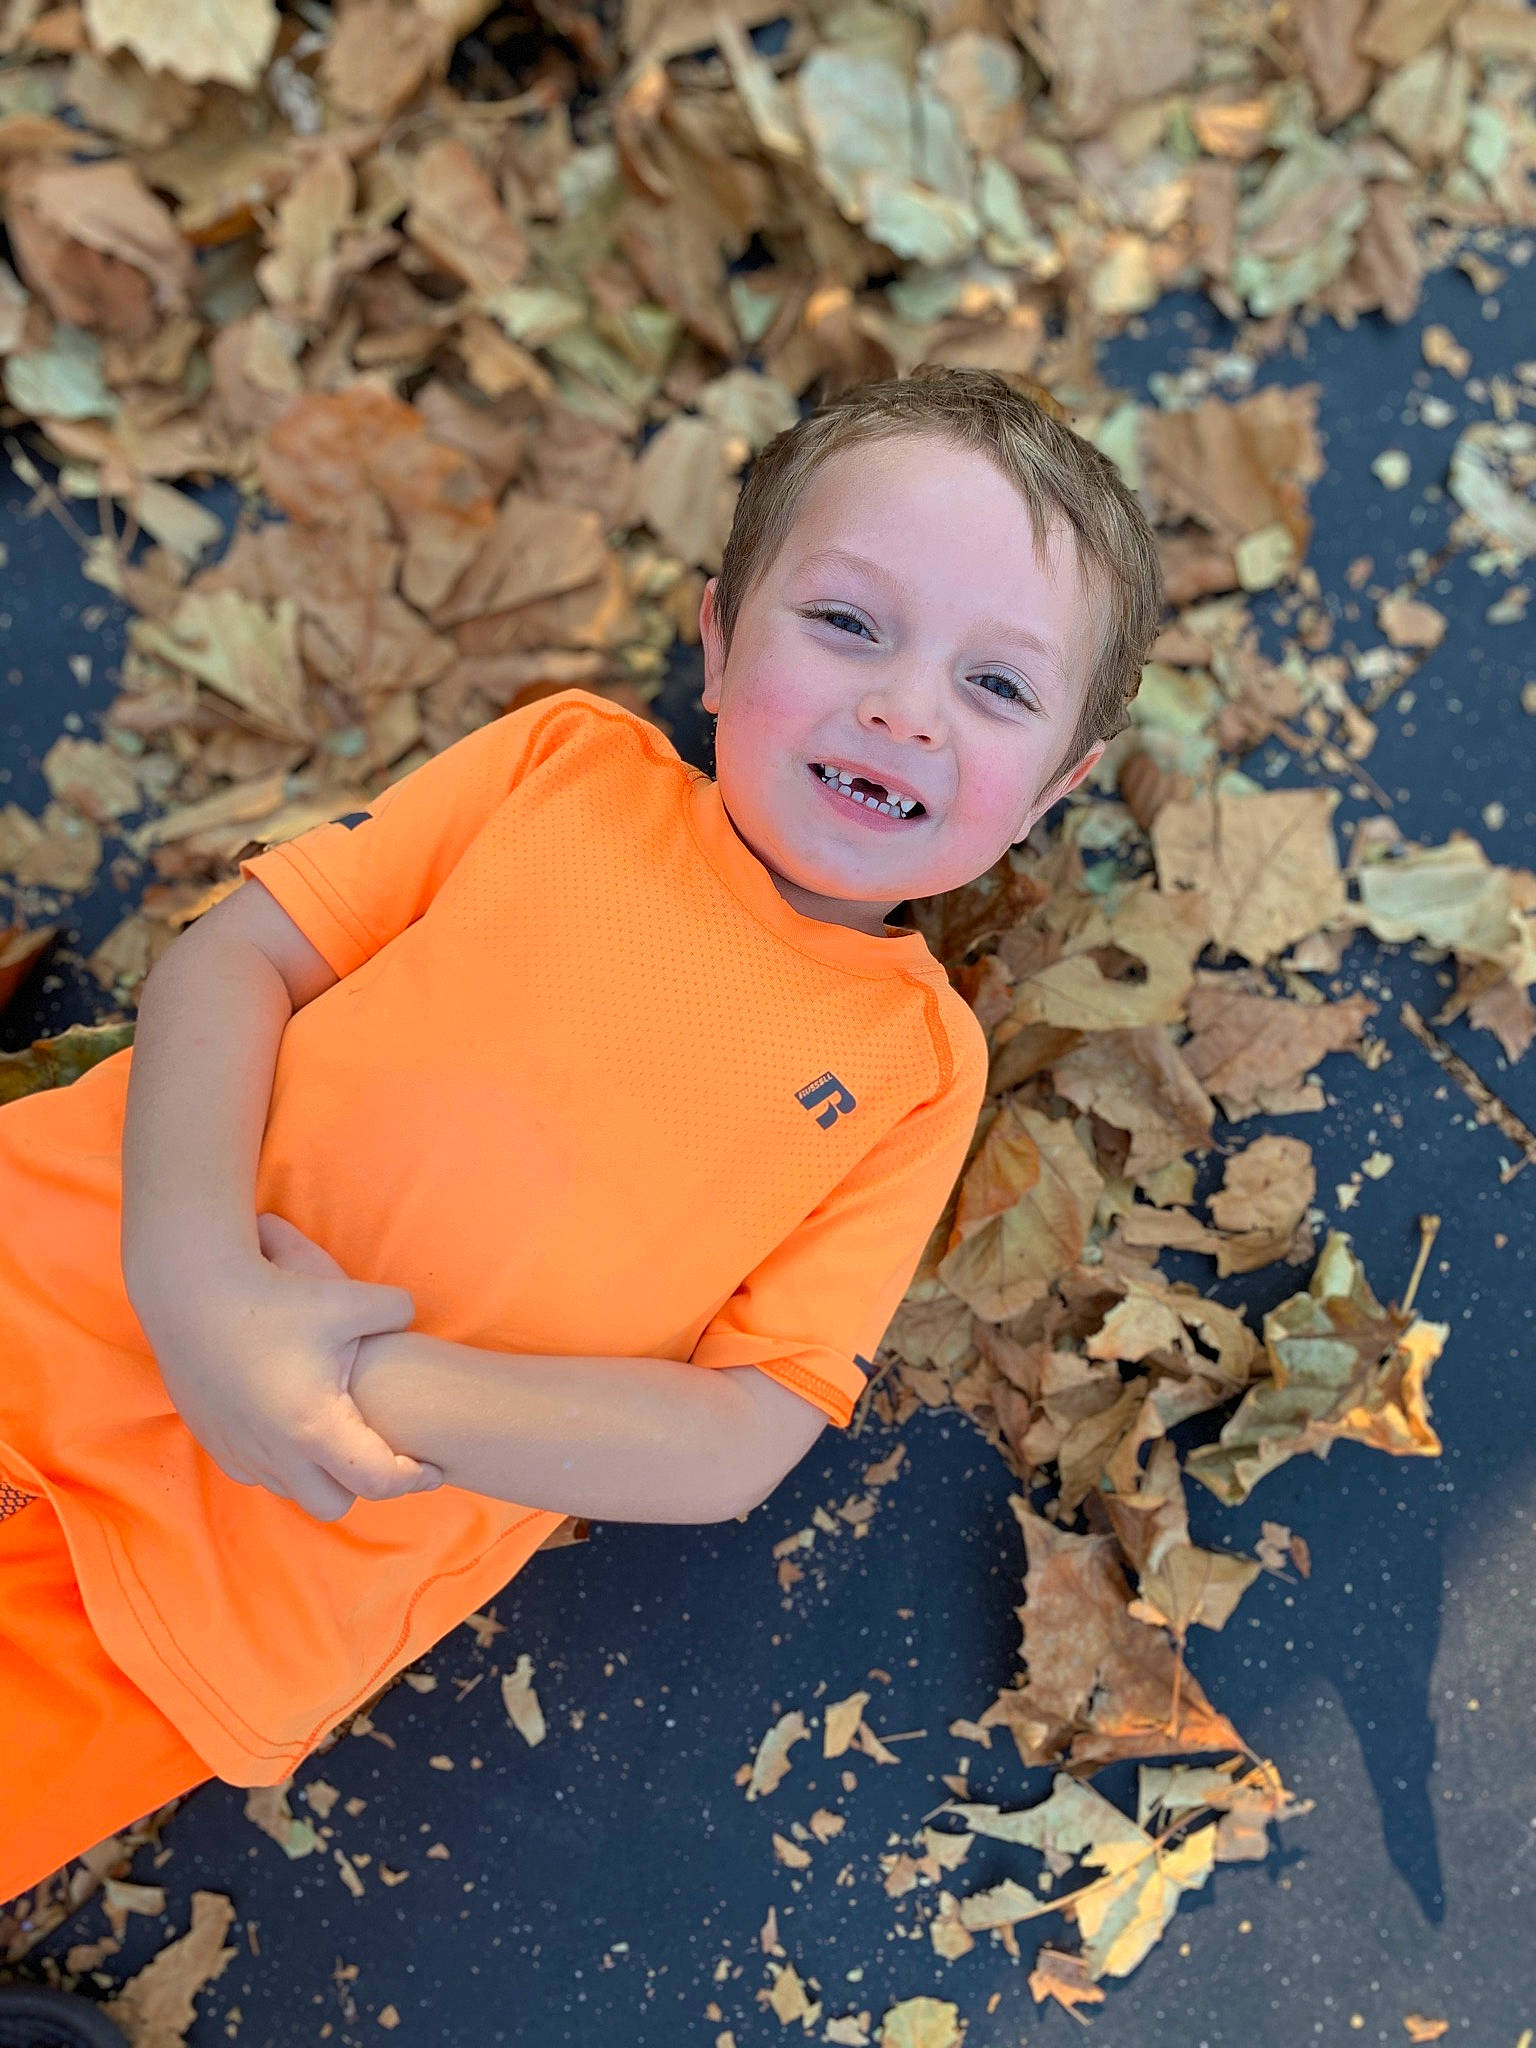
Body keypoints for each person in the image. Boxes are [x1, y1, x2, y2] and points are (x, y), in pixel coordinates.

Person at [0, 365, 1164, 1906]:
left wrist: (358, 1382)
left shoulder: (913, 1070)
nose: (903, 706)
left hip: (238, 1570)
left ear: (1055, 790)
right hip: (51, 1277)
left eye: (998, 688)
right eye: (847, 625)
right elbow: (242, 958)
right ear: (717, 639)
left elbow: (741, 1433)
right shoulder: (564, 769)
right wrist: (198, 1280)